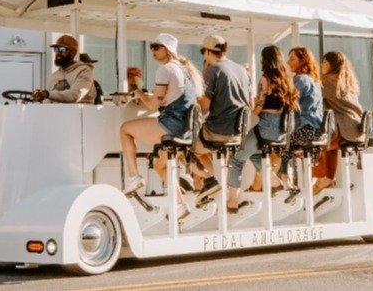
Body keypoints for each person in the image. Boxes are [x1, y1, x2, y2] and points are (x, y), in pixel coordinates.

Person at [120, 33, 204, 221]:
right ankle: (180, 205)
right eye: (152, 47)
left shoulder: (165, 69)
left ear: (168, 50)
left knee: (125, 129)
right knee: (160, 166)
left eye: (156, 47)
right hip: (185, 129)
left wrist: (137, 91)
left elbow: (152, 106)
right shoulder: (185, 70)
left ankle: (134, 177)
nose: (153, 51)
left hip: (170, 126)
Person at [226, 45, 299, 213]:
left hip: (266, 128)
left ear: (266, 60)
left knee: (236, 159)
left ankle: (232, 201)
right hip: (282, 132)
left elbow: (258, 107)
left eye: (261, 57)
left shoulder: (265, 79)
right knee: (255, 153)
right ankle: (274, 182)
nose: (260, 60)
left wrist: (249, 110)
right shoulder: (288, 80)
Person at [192, 34, 251, 204]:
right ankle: (218, 183)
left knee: (185, 145)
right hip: (239, 133)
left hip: (217, 132)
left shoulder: (212, 70)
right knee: (205, 146)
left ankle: (212, 179)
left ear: (208, 51)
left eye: (203, 51)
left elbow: (204, 107)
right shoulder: (241, 70)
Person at [312, 51, 364, 195]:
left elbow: (311, 94)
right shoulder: (346, 81)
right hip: (355, 128)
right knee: (329, 146)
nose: (321, 65)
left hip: (344, 128)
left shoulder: (328, 81)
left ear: (332, 65)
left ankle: (323, 178)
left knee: (315, 145)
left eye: (325, 62)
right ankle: (327, 178)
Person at [32, 35, 97, 104]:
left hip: (79, 113)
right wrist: (40, 98)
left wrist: (47, 94)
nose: (58, 53)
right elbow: (49, 100)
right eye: (56, 49)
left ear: (73, 52)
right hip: (57, 114)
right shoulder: (54, 76)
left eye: (62, 49)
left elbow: (75, 95)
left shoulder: (84, 71)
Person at [288, 47, 323, 146]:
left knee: (277, 141)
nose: (288, 62)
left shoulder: (301, 79)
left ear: (302, 61)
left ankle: (283, 161)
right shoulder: (314, 80)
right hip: (317, 131)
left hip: (304, 130)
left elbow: (290, 104)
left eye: (292, 59)